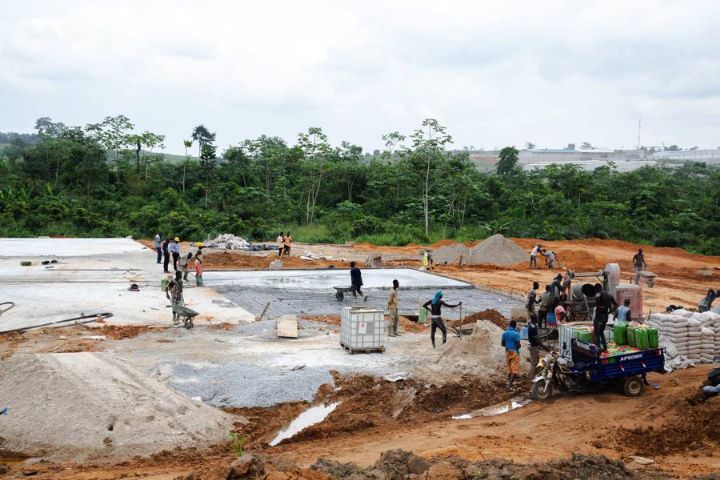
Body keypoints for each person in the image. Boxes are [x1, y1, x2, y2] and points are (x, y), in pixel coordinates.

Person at [593, 283, 618, 352]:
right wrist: (609, 312)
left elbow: (597, 297)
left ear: (597, 289)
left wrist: (598, 305)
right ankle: (605, 348)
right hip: (605, 317)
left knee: (597, 333)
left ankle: (597, 350)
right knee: (601, 332)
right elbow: (616, 304)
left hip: (599, 317)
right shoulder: (609, 295)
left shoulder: (598, 294)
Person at [527, 313, 549, 378]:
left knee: (535, 361)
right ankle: (531, 377)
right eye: (536, 318)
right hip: (534, 347)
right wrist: (544, 346)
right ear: (535, 319)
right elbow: (536, 339)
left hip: (533, 346)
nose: (537, 319)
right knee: (534, 362)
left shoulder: (531, 326)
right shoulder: (533, 328)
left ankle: (531, 374)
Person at [501, 320, 522, 389]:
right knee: (515, 369)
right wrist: (519, 346)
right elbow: (518, 345)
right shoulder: (516, 334)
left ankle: (509, 382)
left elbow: (502, 344)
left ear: (509, 325)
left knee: (509, 368)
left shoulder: (504, 333)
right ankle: (510, 384)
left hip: (507, 351)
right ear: (515, 326)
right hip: (514, 352)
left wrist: (508, 344)